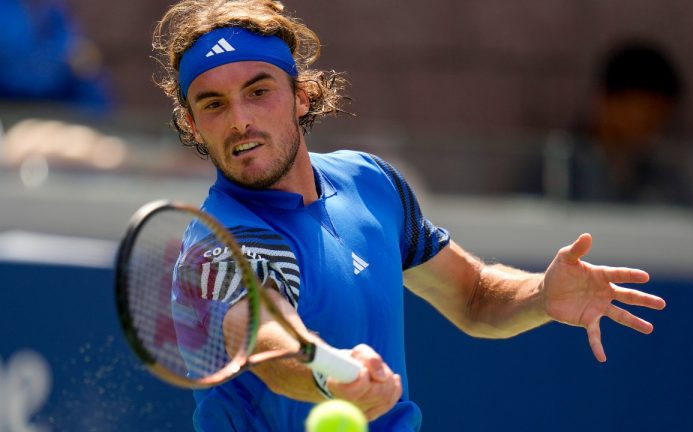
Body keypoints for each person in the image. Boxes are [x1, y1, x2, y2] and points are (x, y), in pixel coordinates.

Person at [153, 1, 666, 430]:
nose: (240, 119)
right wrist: (329, 372)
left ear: (301, 95)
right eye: (213, 104)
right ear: (194, 127)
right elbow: (268, 338)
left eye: (259, 91)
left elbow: (473, 295)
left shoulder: (370, 182)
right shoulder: (221, 245)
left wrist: (540, 295)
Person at [537, 42, 689, 204]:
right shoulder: (556, 170)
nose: (654, 126)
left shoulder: (665, 179)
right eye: (645, 112)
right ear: (606, 101)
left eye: (662, 117)